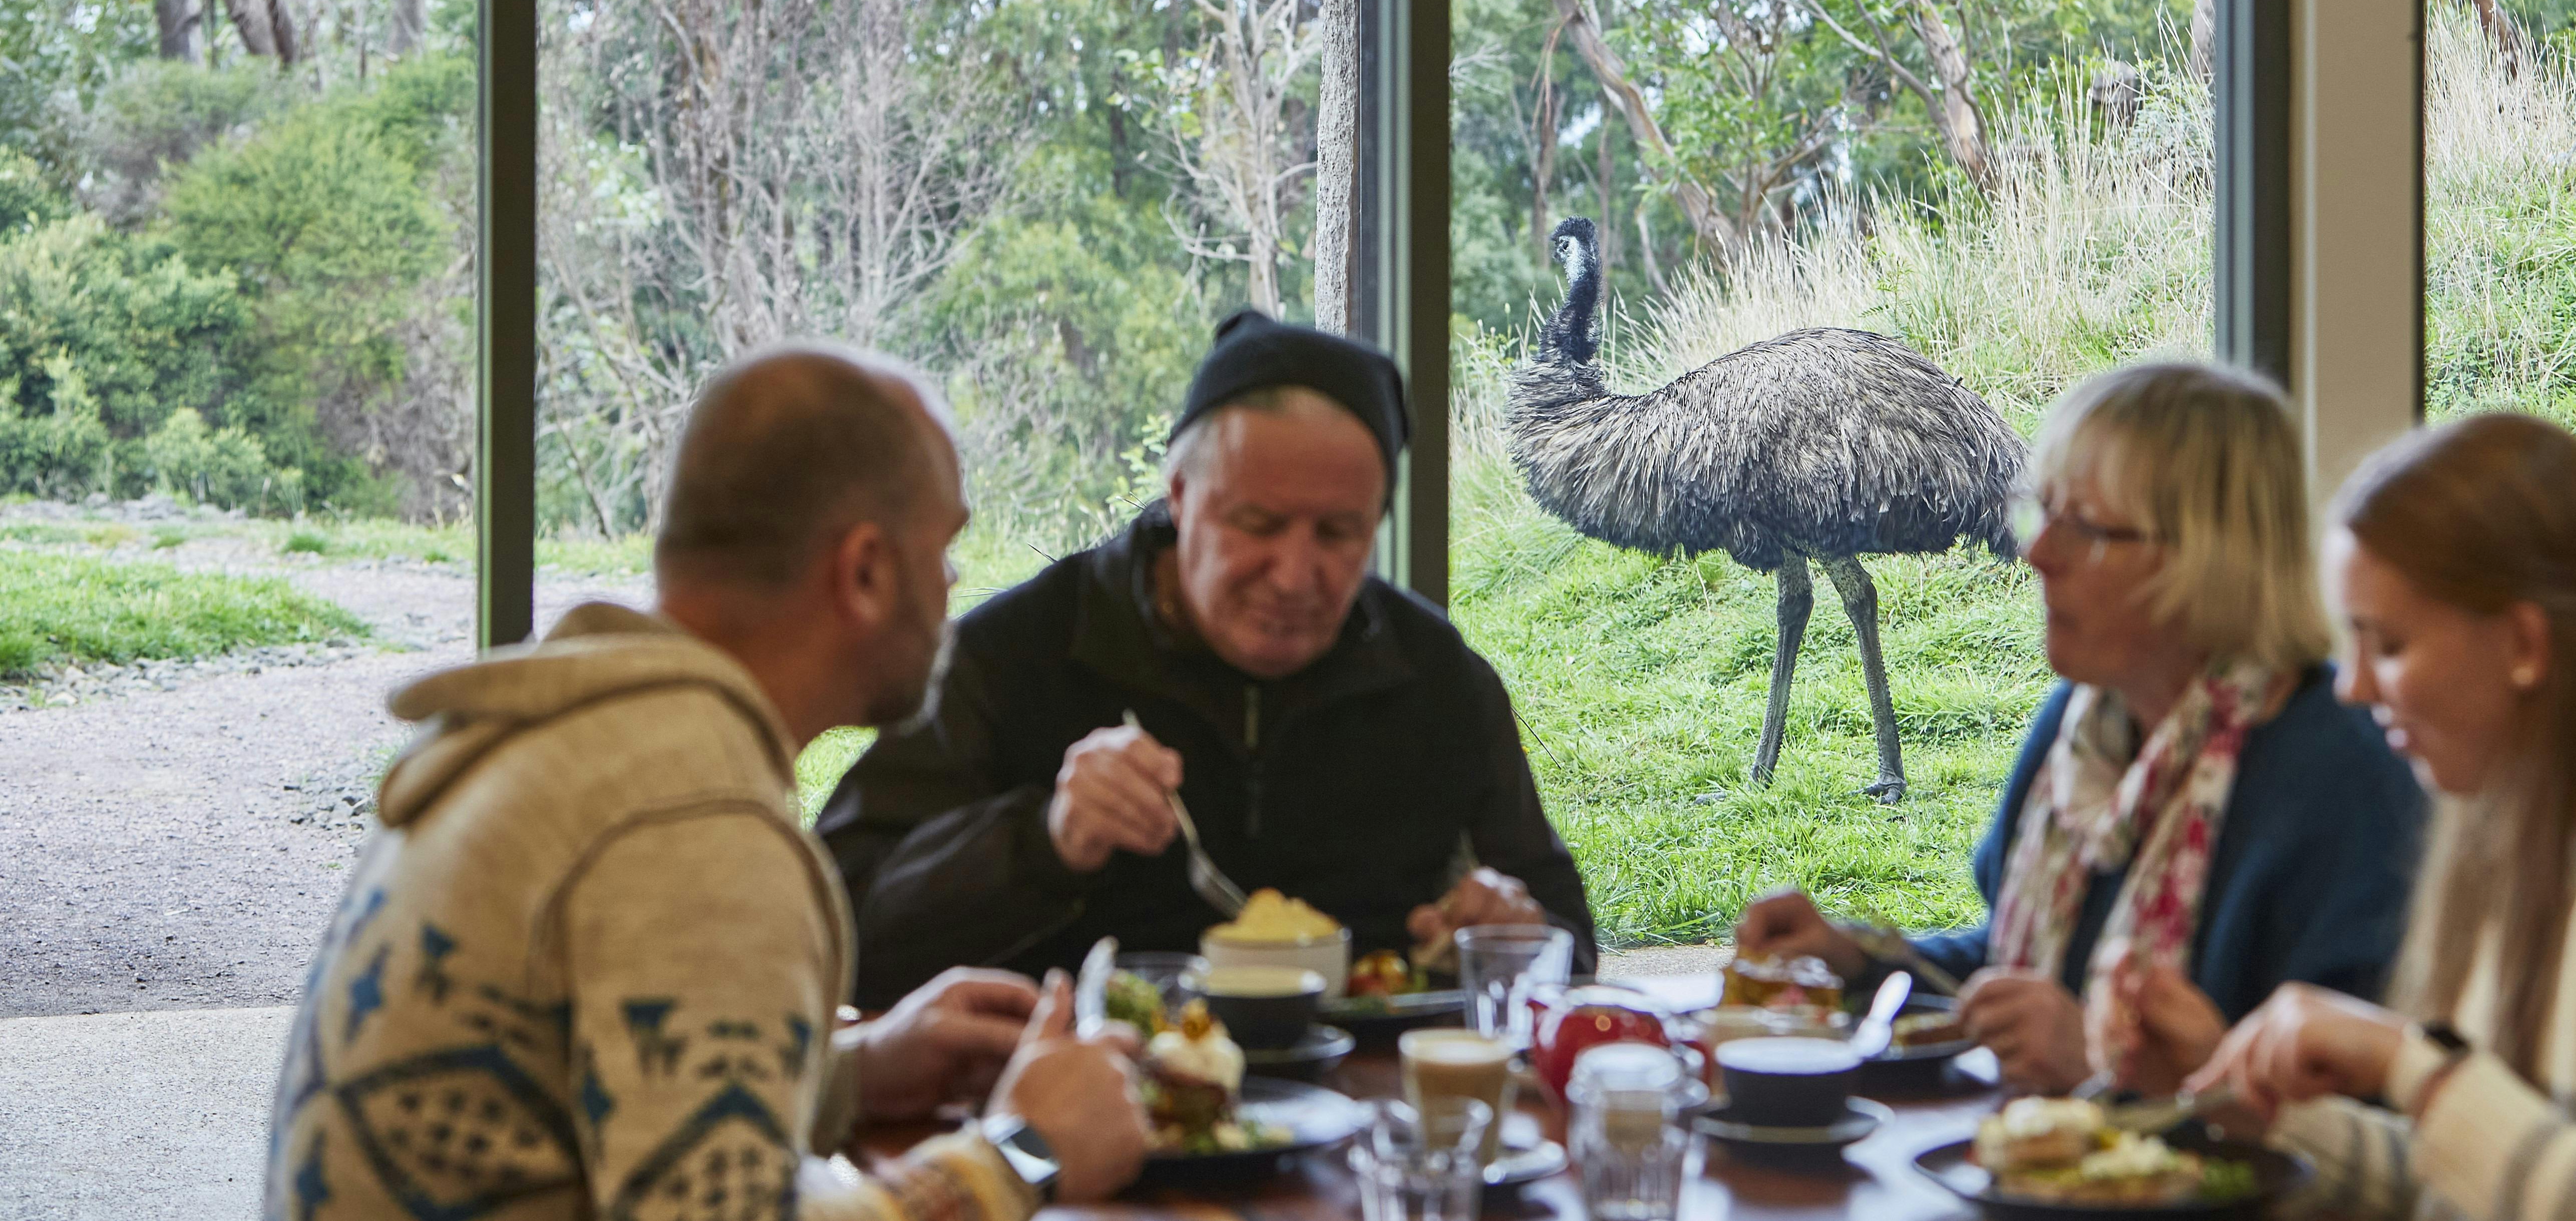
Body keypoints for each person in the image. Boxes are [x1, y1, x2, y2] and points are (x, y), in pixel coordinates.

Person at [262, 346, 1150, 1221]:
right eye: (946, 549)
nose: (955, 588)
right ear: (868, 571)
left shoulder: (573, 739)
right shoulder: (696, 826)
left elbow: (598, 1100)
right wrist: (1025, 1153)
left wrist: (854, 1070)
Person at [820, 311, 1596, 1006]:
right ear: (1180, 495)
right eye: (1256, 524)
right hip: (1069, 1115)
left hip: (1362, 1128)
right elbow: (830, 930)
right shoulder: (1016, 655)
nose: (1295, 576)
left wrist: (1514, 937)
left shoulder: (1433, 677)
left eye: (1337, 533)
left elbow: (1569, 943)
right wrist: (1043, 841)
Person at [1736, 361, 2425, 1092]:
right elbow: (2017, 970)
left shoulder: (2342, 785)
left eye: (2085, 527)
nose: (2038, 552)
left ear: (2209, 558)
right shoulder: (2082, 720)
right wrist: (1857, 960)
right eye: (2043, 511)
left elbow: (2356, 1137)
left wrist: (2106, 1072)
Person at [2130, 414, 2576, 1221]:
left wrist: (2411, 1067)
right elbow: (2473, 1185)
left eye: (2385, 645)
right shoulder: (2514, 849)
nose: (2352, 688)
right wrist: (2249, 1105)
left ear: (2526, 645)